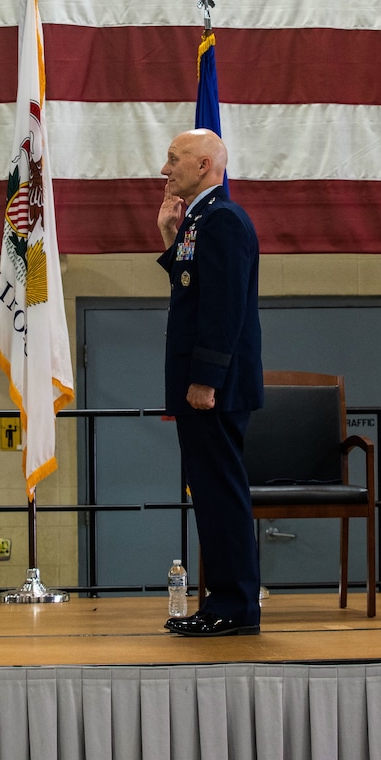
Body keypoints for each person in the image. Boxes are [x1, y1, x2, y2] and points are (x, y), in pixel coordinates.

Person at [157, 128, 263, 637]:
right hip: (204, 385)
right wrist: (168, 237)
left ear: (204, 165)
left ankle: (235, 605)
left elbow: (223, 310)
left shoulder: (223, 219)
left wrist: (204, 380)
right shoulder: (199, 219)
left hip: (213, 389)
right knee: (212, 493)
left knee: (222, 494)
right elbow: (189, 288)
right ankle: (224, 599)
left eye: (174, 159)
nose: (164, 168)